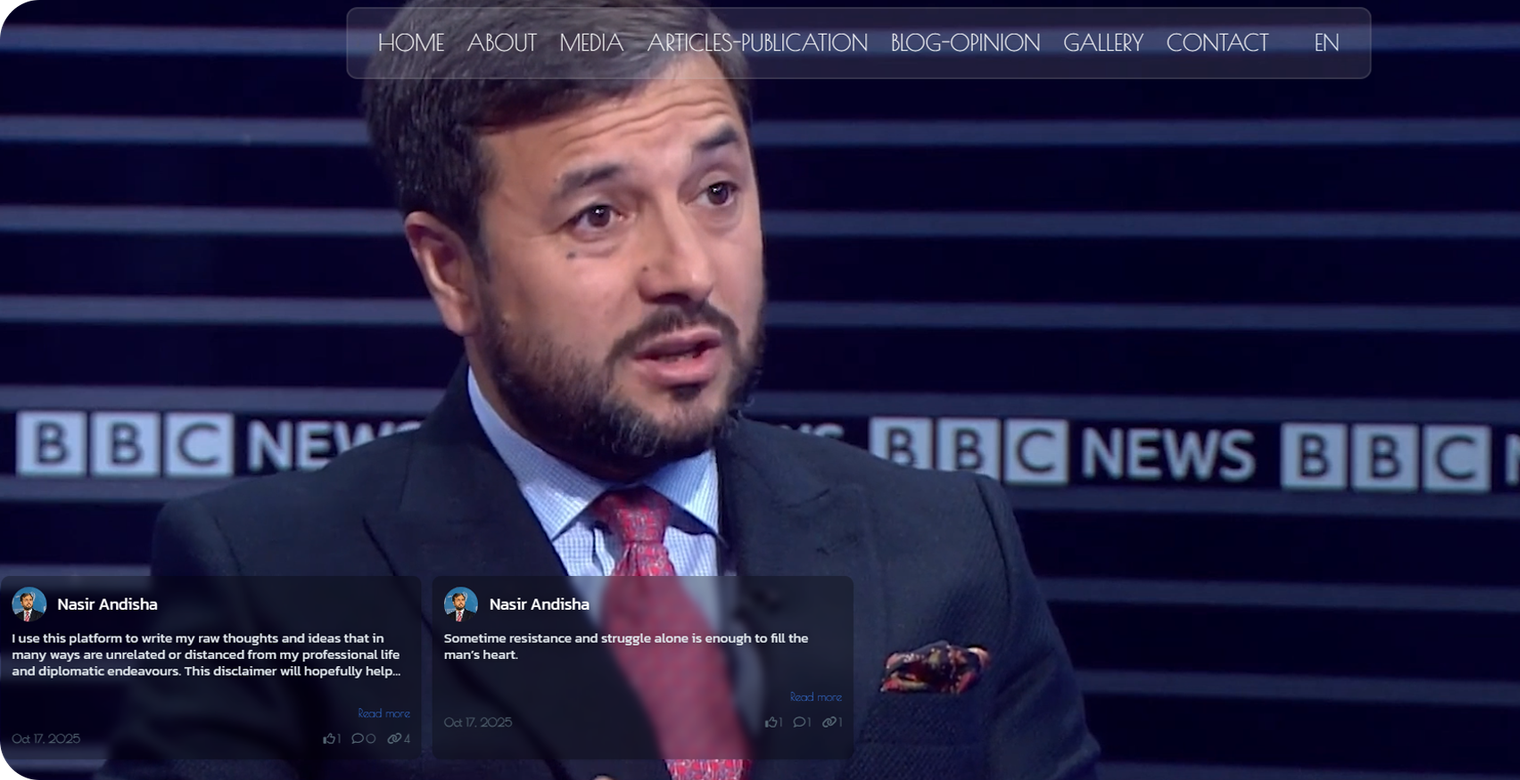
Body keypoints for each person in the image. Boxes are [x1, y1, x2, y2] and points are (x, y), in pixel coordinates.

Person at [96, 1, 1100, 778]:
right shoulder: (266, 582)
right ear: (451, 269)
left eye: (717, 192)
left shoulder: (951, 548)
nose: (688, 271)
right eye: (598, 217)